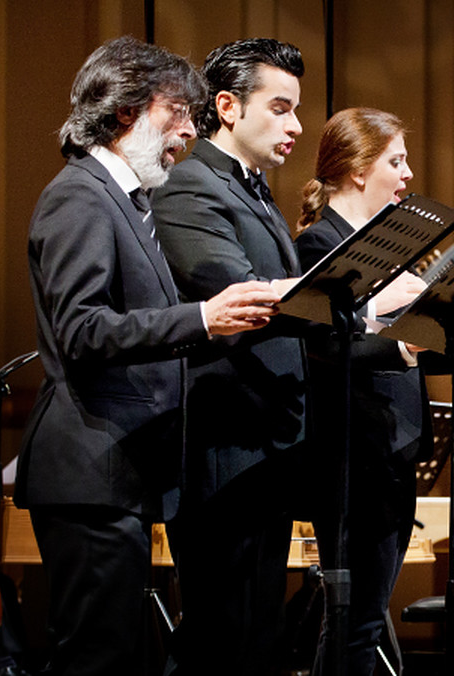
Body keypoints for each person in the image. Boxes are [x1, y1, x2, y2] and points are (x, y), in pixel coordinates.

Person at [17, 36, 281, 676]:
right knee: (94, 657)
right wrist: (201, 318)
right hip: (90, 474)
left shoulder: (131, 204)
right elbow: (81, 329)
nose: (189, 132)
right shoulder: (80, 194)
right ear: (128, 109)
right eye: (179, 113)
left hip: (119, 475)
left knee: (116, 655)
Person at [294, 107, 454, 675]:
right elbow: (324, 348)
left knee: (366, 619)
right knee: (355, 621)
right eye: (395, 161)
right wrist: (404, 341)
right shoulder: (319, 245)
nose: (407, 174)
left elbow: (429, 353)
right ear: (356, 168)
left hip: (392, 453)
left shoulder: (391, 259)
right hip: (352, 457)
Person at [149, 38, 309, 676]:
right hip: (224, 451)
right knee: (223, 640)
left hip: (266, 448)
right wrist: (357, 290)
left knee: (257, 639)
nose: (296, 125)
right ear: (227, 107)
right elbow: (232, 292)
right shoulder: (189, 183)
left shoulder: (258, 191)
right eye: (280, 107)